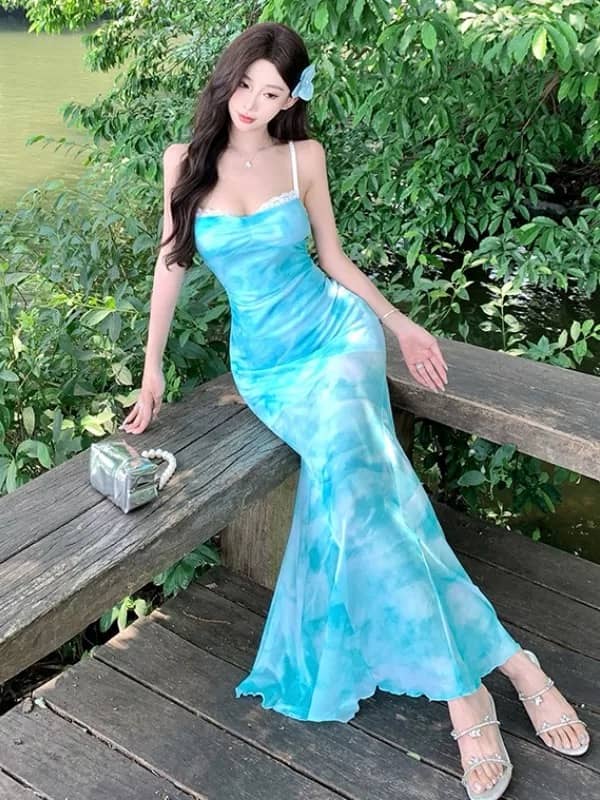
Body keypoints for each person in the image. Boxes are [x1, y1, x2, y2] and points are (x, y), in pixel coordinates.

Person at [120, 20, 590, 800]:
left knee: (356, 482)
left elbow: (332, 259)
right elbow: (170, 265)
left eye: (273, 93)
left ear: (291, 99)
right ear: (228, 80)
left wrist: (400, 325)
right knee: (374, 489)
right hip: (269, 364)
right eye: (246, 86)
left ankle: (465, 695)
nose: (253, 103)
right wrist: (151, 369)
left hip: (338, 336)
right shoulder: (184, 162)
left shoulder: (303, 157)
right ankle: (512, 665)